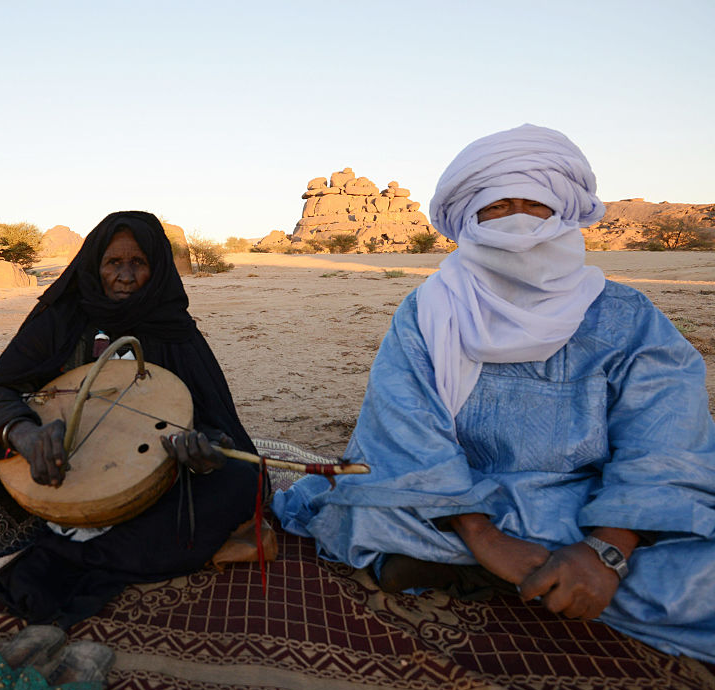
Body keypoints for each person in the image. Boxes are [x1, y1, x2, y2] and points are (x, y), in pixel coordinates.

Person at [273, 124, 715, 662]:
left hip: (594, 506)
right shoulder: (431, 310)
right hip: (460, 502)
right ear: (469, 220)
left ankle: (460, 569)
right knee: (362, 510)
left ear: (564, 217)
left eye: (536, 207)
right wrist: (484, 537)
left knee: (699, 574)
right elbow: (404, 429)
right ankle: (478, 562)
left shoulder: (625, 315)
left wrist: (607, 550)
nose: (520, 225)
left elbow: (665, 438)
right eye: (499, 208)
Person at [0, 210, 259, 627]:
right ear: (94, 265)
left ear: (157, 268)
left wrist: (204, 451)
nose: (125, 276)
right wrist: (24, 434)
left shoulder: (175, 329)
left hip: (149, 487)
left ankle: (59, 557)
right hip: (57, 474)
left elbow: (216, 425)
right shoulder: (59, 319)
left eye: (138, 263)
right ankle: (99, 551)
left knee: (240, 481)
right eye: (113, 263)